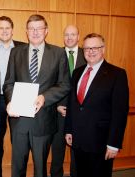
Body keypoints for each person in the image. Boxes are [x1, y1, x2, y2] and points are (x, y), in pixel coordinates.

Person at [3, 14, 71, 177]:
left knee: (40, 169)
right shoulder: (16, 52)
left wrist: (44, 97)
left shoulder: (58, 53)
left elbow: (65, 84)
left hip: (44, 120)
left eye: (39, 28)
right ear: (26, 32)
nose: (35, 32)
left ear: (46, 31)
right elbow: (8, 83)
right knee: (17, 168)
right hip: (19, 120)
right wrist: (11, 101)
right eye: (31, 29)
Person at [65, 33, 129, 177]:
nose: (90, 51)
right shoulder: (77, 73)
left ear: (103, 49)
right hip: (78, 140)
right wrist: (69, 129)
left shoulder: (117, 74)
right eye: (87, 48)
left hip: (101, 143)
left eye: (95, 48)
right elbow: (73, 104)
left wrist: (114, 143)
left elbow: (120, 112)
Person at [0, 16, 24, 177]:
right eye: (1, 28)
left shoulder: (24, 47)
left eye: (7, 28)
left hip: (18, 99)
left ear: (12, 30)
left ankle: (18, 172)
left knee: (18, 138)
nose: (5, 31)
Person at [50, 25, 86, 177]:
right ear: (63, 37)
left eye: (73, 34)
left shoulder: (88, 55)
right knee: (57, 152)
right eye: (66, 35)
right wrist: (56, 105)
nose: (69, 37)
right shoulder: (55, 55)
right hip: (59, 113)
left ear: (78, 37)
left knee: (77, 153)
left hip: (80, 114)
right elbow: (48, 83)